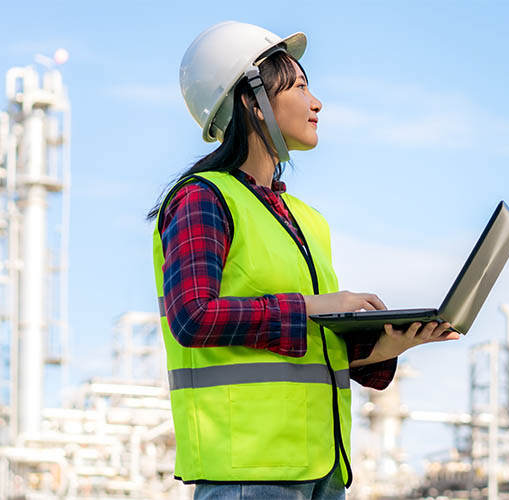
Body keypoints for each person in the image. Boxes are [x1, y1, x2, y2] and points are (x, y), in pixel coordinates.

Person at [146, 21, 459, 500]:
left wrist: (391, 346)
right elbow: (192, 318)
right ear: (251, 101)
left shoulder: (307, 220)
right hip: (247, 473)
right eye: (298, 86)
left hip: (322, 471)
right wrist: (312, 307)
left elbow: (310, 348)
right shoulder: (202, 200)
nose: (316, 103)